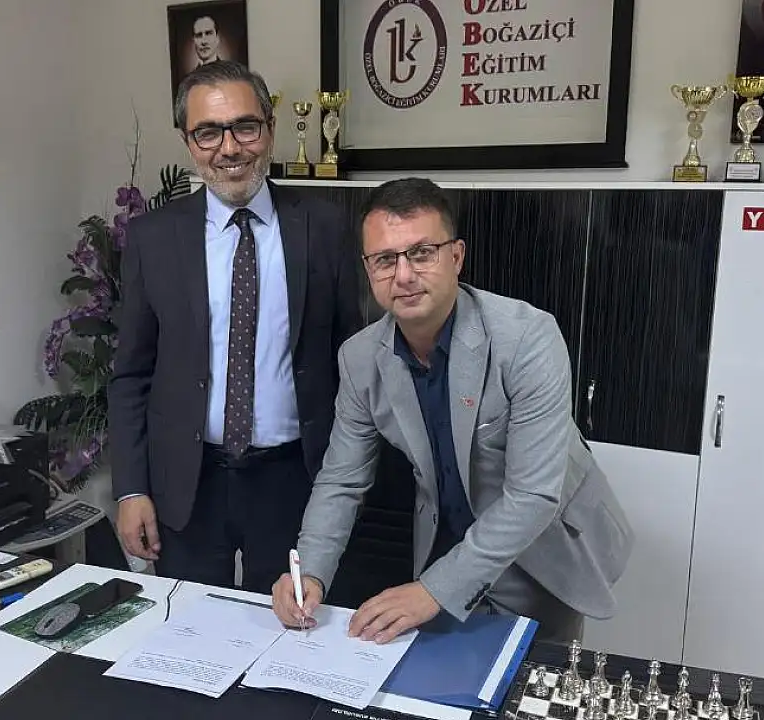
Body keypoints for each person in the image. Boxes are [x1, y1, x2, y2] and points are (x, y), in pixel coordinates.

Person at [271, 178, 633, 644]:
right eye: (385, 260)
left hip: (541, 556)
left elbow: (532, 496)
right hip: (444, 552)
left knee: (532, 679)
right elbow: (341, 481)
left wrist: (433, 591)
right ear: (368, 268)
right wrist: (310, 572)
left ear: (456, 257)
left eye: (422, 253)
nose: (403, 275)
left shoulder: (527, 338)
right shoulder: (360, 358)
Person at [108, 60, 362, 593]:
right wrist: (131, 489)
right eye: (208, 132)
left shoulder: (325, 226)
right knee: (188, 628)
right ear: (187, 140)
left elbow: (351, 358)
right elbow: (131, 374)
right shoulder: (153, 238)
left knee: (293, 624)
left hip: (295, 479)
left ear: (269, 128)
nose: (229, 148)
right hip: (188, 481)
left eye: (245, 127)